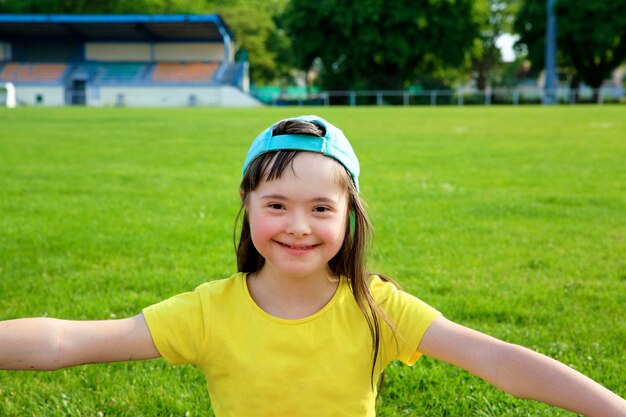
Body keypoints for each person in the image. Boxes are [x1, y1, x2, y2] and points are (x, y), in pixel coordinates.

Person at [1, 115, 624, 417]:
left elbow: (498, 360)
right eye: (277, 204)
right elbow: (67, 339)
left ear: (350, 214)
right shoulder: (207, 312)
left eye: (321, 207)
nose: (298, 225)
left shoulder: (378, 306)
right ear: (246, 208)